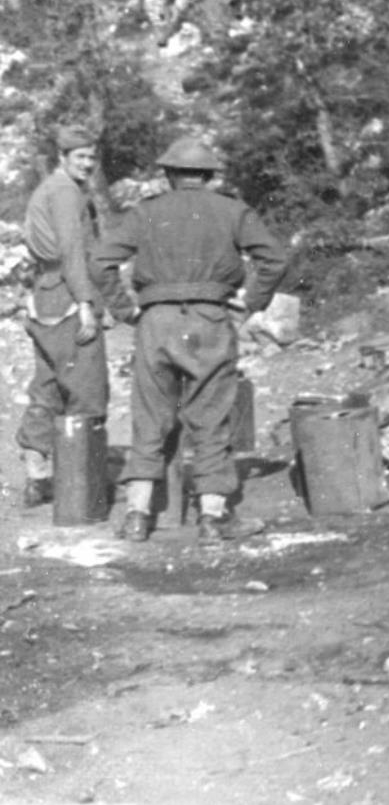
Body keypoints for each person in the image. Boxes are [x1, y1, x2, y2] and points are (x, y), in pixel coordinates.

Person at [93, 137, 288, 543]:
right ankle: (213, 518)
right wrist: (250, 302)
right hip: (210, 319)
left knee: (149, 418)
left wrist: (125, 310)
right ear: (209, 176)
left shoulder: (145, 212)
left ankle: (136, 515)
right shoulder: (233, 210)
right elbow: (274, 259)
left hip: (156, 322)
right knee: (211, 417)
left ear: (168, 174)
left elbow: (100, 261)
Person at [16, 126, 131, 508]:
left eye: (91, 157)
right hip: (68, 296)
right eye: (80, 156)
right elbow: (72, 252)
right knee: (87, 389)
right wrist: (86, 303)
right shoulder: (66, 192)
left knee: (48, 388)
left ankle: (37, 477)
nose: (87, 164)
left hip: (45, 296)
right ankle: (84, 486)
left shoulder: (47, 189)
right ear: (62, 157)